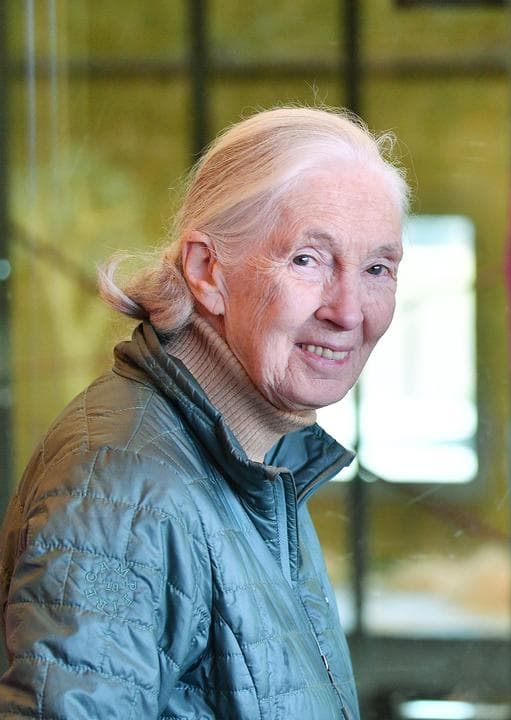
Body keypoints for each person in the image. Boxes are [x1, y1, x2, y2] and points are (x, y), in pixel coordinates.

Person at [0, 106, 409, 719]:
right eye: (308, 259)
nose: (349, 311)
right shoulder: (124, 490)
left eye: (377, 268)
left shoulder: (257, 458)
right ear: (206, 270)